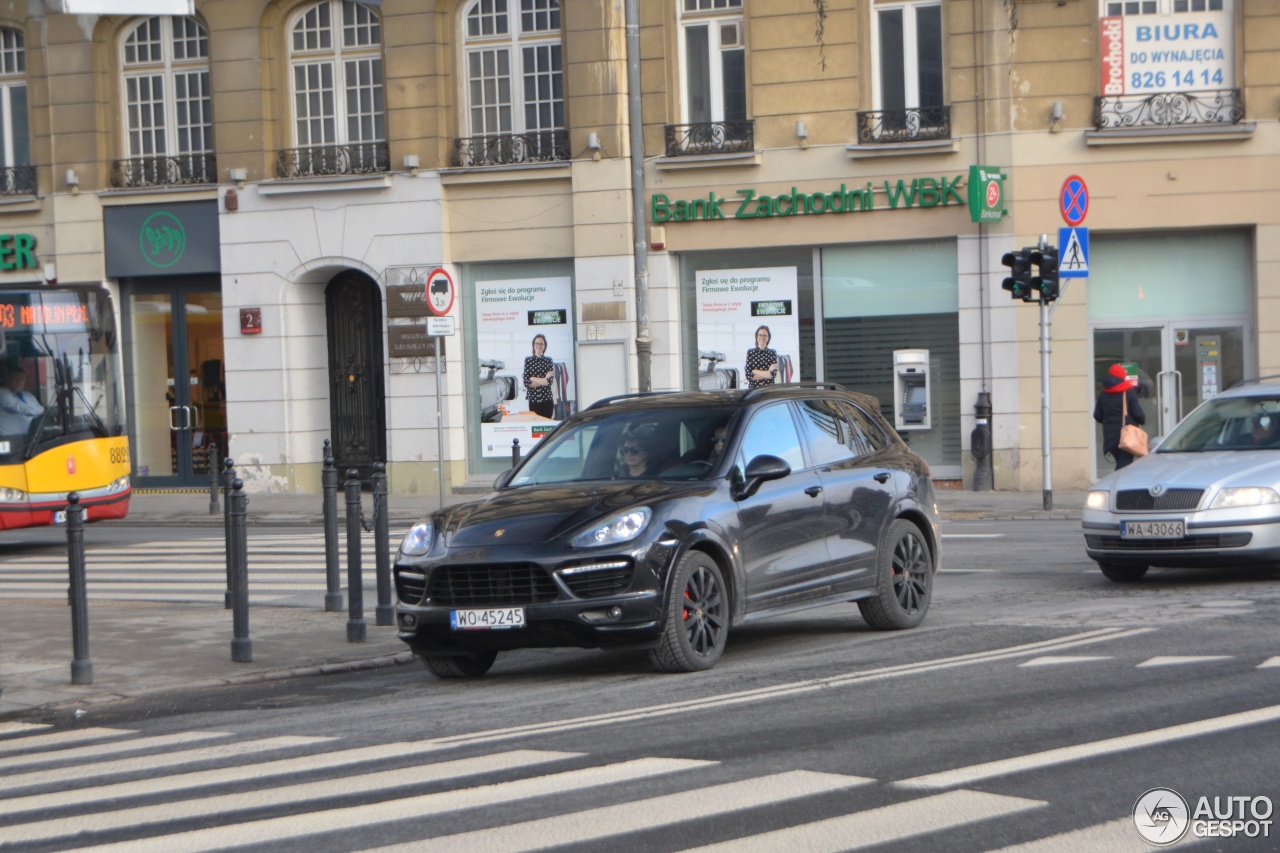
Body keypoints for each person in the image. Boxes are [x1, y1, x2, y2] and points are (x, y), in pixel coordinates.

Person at [1093, 363, 1146, 470]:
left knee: (1122, 465)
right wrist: (1140, 420)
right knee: (1123, 468)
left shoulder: (1103, 394)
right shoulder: (1127, 391)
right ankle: (1115, 485)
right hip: (1126, 436)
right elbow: (1139, 415)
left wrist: (1109, 421)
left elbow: (1097, 415)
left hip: (1110, 438)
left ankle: (1119, 484)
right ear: (1122, 376)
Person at [0, 368, 45, 437]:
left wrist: (41, 410)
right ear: (8, 380)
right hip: (10, 438)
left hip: (30, 438)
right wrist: (42, 410)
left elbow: (39, 410)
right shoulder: (3, 393)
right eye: (15, 378)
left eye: (21, 379)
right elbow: (24, 409)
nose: (19, 382)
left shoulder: (28, 395)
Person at [522, 334, 555, 419]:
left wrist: (532, 378)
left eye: (541, 343)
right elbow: (526, 382)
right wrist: (544, 380)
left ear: (545, 346)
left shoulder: (549, 360)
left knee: (547, 428)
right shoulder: (528, 360)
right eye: (537, 343)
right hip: (534, 402)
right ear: (533, 345)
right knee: (535, 429)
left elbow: (549, 382)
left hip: (547, 401)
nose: (539, 345)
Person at [745, 325, 779, 389]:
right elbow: (748, 375)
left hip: (768, 391)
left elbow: (773, 375)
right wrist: (767, 373)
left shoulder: (772, 352)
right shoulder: (750, 352)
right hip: (753, 391)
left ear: (768, 338)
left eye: (765, 335)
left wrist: (754, 371)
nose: (762, 337)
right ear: (756, 336)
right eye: (760, 335)